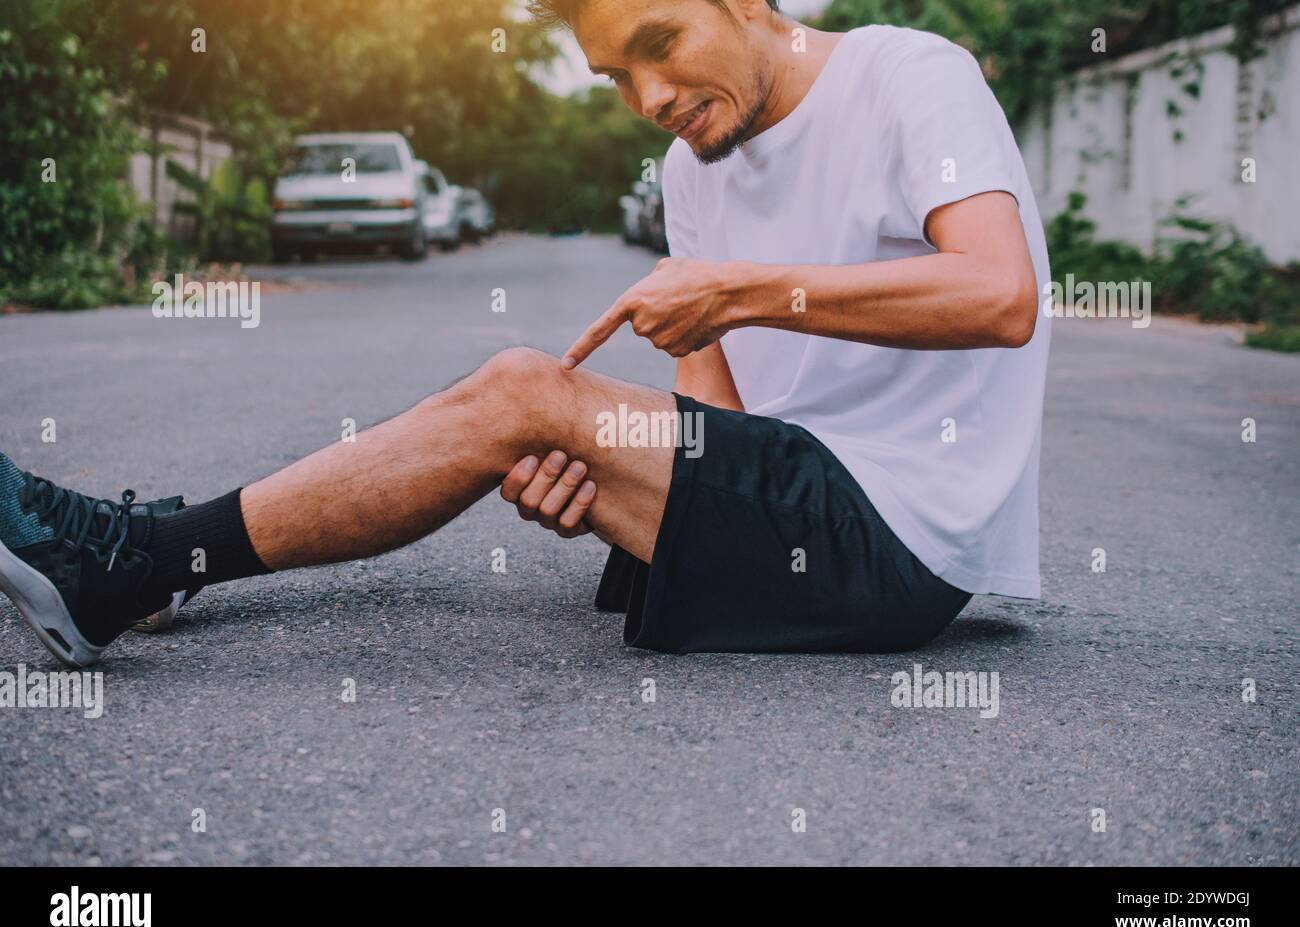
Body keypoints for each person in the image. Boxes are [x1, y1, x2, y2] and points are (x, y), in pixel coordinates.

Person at [0, 0, 1050, 666]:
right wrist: (621, 484)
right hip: (798, 503)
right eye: (614, 78)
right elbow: (720, 426)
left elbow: (1000, 295)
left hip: (903, 536)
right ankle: (143, 558)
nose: (649, 96)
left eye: (661, 45)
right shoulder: (692, 171)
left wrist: (743, 292)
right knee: (531, 408)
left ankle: (141, 561)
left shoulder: (909, 74)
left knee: (519, 389)